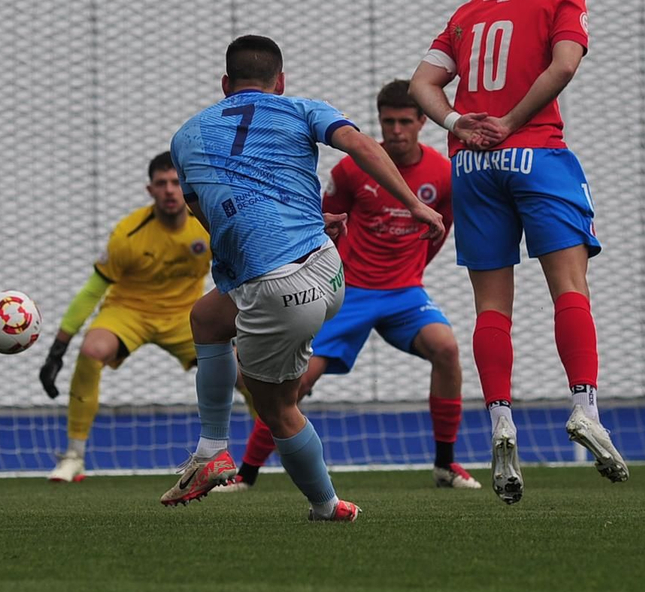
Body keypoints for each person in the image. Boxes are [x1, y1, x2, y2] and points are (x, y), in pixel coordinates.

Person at [162, 35, 446, 521]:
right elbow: (357, 144)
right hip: (329, 268)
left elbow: (205, 211)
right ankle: (212, 447)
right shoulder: (300, 108)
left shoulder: (187, 136)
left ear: (226, 84)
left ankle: (325, 504)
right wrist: (415, 203)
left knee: (277, 409)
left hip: (278, 288)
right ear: (281, 81)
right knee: (207, 319)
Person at [409, 0, 628, 506]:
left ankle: (501, 422)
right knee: (570, 287)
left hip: (472, 165)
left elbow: (421, 85)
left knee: (491, 306)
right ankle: (584, 407)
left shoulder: (469, 9)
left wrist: (458, 122)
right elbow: (563, 64)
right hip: (536, 154)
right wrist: (511, 121)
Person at [227, 79, 478, 492]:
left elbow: (440, 229)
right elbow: (319, 223)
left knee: (447, 349)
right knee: (299, 382)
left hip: (404, 294)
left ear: (421, 122)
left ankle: (445, 464)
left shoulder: (442, 174)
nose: (395, 130)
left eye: (404, 122)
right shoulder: (351, 169)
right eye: (387, 122)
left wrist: (411, 273)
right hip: (350, 293)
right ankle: (247, 474)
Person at [39, 152, 212, 483]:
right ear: (150, 190)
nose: (170, 190)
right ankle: (73, 456)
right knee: (91, 352)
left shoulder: (206, 224)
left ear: (186, 185)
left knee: (242, 369)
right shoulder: (128, 234)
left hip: (184, 315)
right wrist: (57, 350)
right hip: (129, 310)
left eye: (176, 182)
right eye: (161, 184)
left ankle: (269, 448)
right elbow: (92, 291)